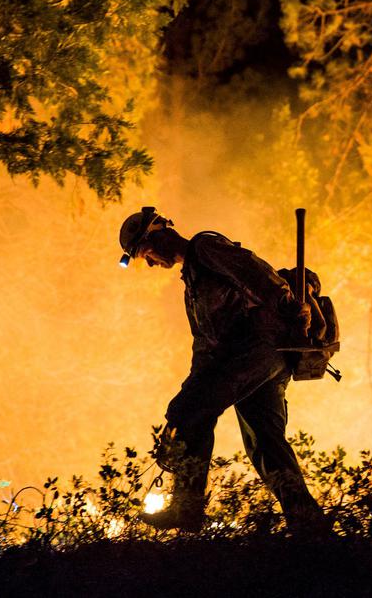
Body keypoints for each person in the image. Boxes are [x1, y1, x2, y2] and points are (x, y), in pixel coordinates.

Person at [117, 207, 326, 535]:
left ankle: (186, 510)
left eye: (145, 254)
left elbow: (256, 273)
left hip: (259, 350)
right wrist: (189, 389)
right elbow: (206, 348)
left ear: (157, 237)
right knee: (265, 444)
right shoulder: (193, 281)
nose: (150, 262)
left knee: (192, 410)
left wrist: (290, 307)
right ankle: (311, 527)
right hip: (252, 360)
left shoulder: (206, 248)